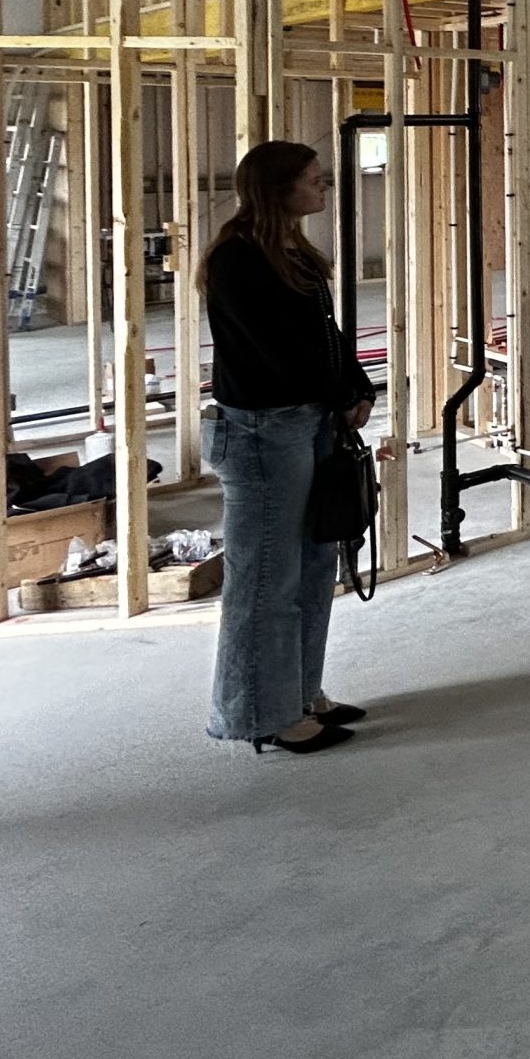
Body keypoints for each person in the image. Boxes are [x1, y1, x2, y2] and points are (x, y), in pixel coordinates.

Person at [201, 141, 376, 757]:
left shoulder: (291, 252)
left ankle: (300, 693)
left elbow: (321, 335)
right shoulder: (237, 260)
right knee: (266, 578)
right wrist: (336, 395)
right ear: (278, 189)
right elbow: (278, 351)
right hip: (261, 433)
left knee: (310, 567)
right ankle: (261, 712)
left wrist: (357, 385)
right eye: (313, 180)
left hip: (305, 423)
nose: (323, 187)